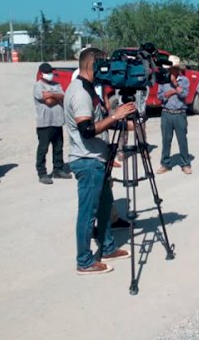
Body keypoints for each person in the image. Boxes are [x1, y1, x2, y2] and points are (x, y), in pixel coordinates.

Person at [65, 47, 135, 275]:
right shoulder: (79, 93)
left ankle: (108, 247)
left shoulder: (90, 90)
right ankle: (84, 261)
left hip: (98, 159)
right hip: (87, 161)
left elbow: (100, 121)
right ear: (91, 64)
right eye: (103, 64)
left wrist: (121, 122)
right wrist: (115, 116)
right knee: (88, 213)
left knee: (105, 206)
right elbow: (86, 129)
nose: (107, 69)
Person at [33, 63, 71, 184]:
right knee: (43, 149)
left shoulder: (57, 84)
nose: (50, 75)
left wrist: (51, 94)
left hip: (58, 121)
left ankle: (58, 170)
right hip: (45, 123)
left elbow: (63, 96)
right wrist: (56, 97)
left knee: (58, 147)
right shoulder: (38, 86)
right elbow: (48, 102)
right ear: (42, 73)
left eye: (51, 72)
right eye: (47, 72)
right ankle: (42, 173)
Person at [156, 55, 191, 174]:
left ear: (177, 69)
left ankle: (185, 163)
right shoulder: (163, 81)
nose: (170, 71)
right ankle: (165, 163)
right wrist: (168, 94)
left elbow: (184, 94)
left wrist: (176, 85)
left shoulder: (184, 80)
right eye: (168, 69)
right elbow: (159, 96)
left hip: (180, 113)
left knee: (182, 140)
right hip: (166, 113)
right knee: (166, 140)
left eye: (172, 69)